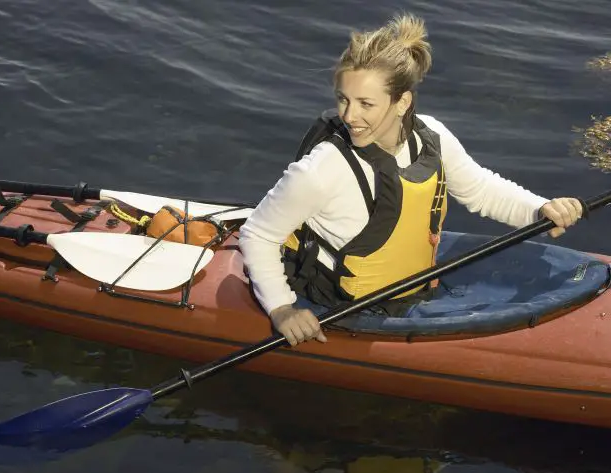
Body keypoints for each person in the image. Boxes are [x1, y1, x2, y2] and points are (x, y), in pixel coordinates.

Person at [238, 13, 583, 347]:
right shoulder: (321, 169)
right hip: (342, 303)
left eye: (366, 104)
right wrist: (282, 308)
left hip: (414, 291)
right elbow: (257, 233)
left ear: (402, 101)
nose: (349, 115)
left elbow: (480, 189)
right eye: (343, 99)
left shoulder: (431, 137)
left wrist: (539, 210)